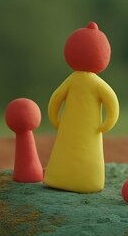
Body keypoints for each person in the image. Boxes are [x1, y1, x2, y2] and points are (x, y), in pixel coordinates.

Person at [43, 22, 119, 193]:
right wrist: (107, 123)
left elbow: (55, 100)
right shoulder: (96, 83)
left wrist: (56, 120)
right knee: (83, 152)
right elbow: (112, 103)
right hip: (91, 130)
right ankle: (86, 179)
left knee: (65, 149)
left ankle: (60, 176)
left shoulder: (73, 80)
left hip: (70, 128)